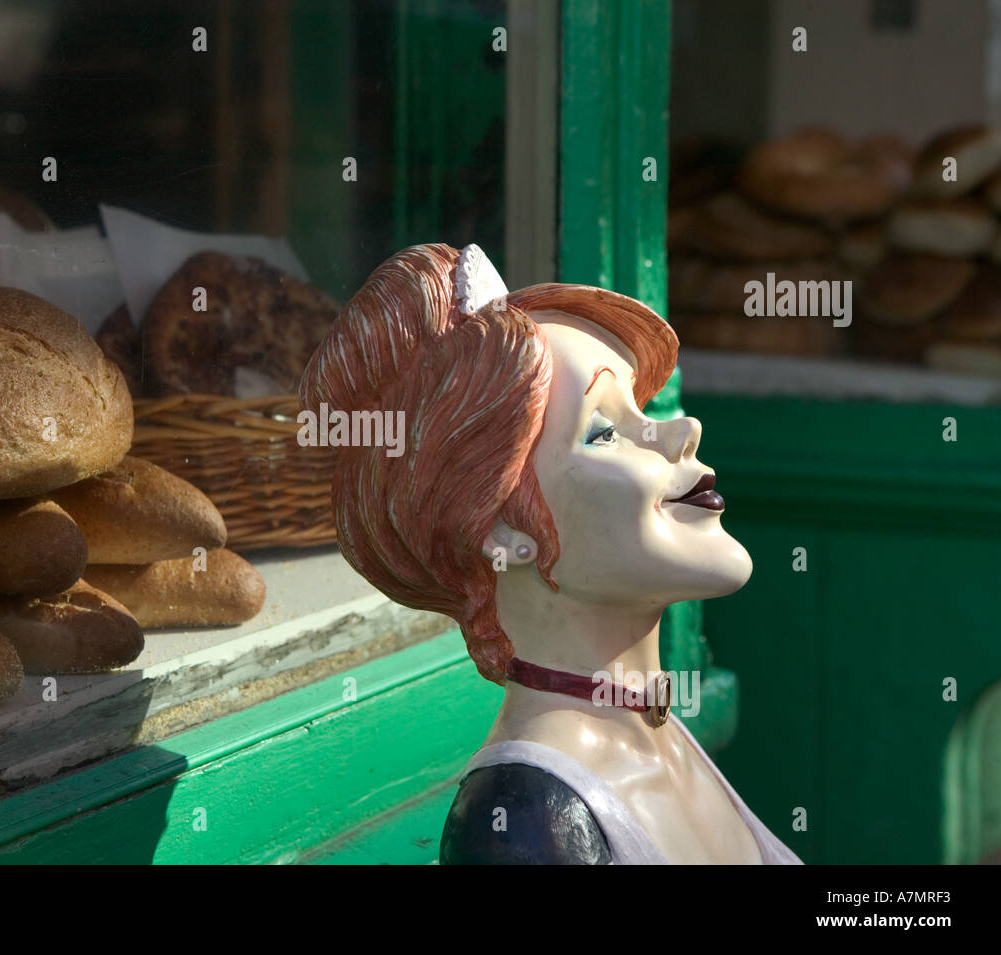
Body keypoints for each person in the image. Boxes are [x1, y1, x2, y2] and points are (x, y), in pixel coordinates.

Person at [299, 243, 801, 864]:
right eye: (606, 431)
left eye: (642, 411)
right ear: (501, 533)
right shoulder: (527, 824)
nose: (681, 430)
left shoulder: (658, 734)